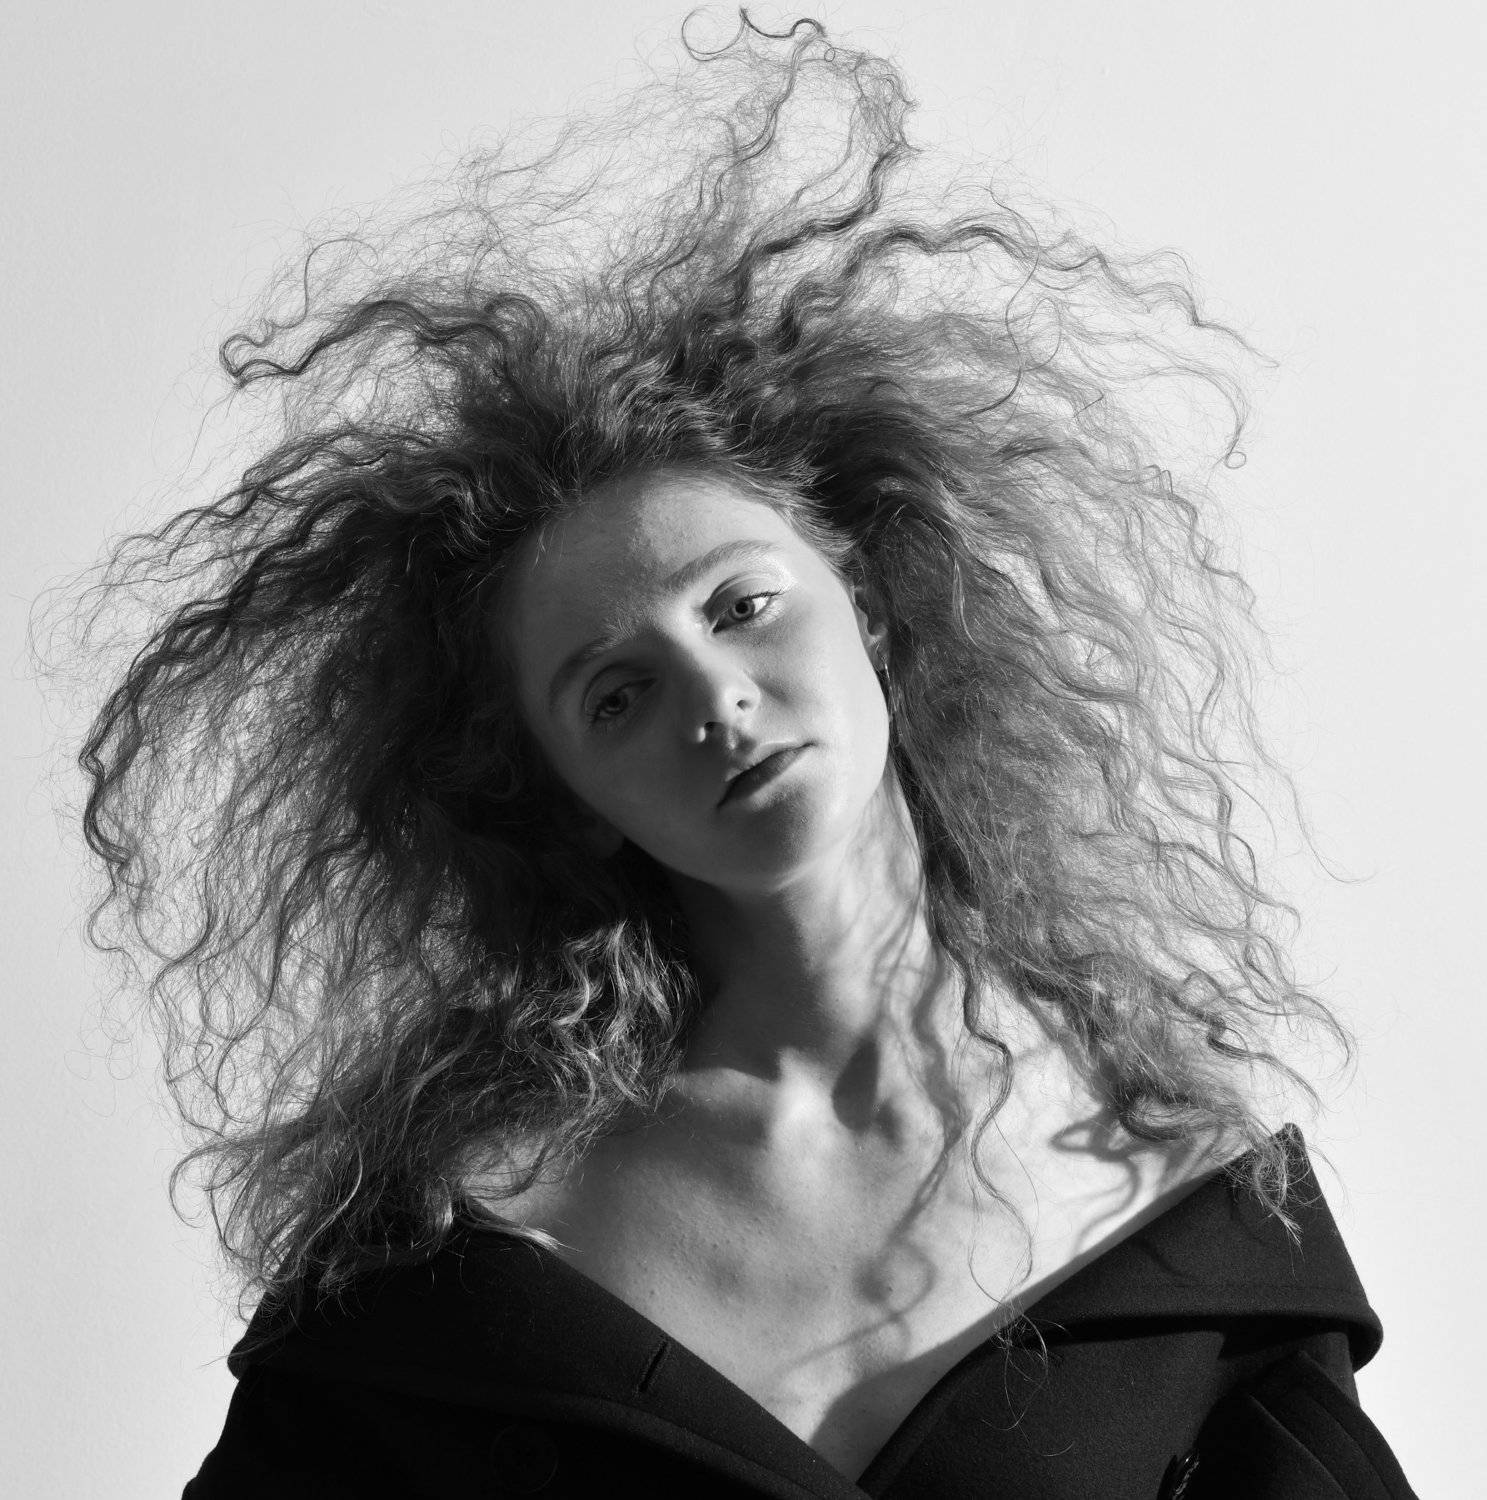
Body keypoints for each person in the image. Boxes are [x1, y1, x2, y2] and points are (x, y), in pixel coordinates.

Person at [70, 15, 1415, 1498]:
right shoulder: (455, 1280)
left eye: (742, 606)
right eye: (616, 694)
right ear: (565, 803)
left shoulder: (1188, 1208)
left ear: (877, 611)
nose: (716, 699)